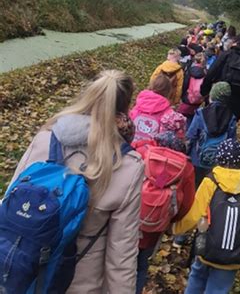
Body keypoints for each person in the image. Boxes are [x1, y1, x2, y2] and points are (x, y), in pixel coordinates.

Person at [7, 70, 144, 294]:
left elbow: (8, 201)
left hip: (22, 271)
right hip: (78, 283)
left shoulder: (45, 137)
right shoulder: (128, 166)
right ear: (125, 107)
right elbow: (121, 255)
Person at [173, 139, 240, 294]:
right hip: (232, 253)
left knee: (197, 276)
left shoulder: (211, 181)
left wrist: (175, 229)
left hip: (206, 246)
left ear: (218, 158)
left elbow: (195, 215)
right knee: (219, 288)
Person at [134, 131, 195, 294]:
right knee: (141, 266)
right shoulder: (186, 168)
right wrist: (169, 220)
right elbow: (187, 204)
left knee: (119, 263)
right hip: (156, 227)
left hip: (129, 221)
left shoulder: (142, 153)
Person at [187, 82, 237, 188]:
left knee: (195, 185)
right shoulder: (231, 118)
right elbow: (232, 141)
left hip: (197, 159)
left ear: (212, 96)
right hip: (216, 162)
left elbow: (191, 136)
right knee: (210, 186)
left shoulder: (201, 114)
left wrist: (186, 153)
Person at [201, 33, 240, 121]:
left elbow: (211, 73)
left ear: (235, 42)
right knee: (229, 124)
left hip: (220, 94)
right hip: (238, 102)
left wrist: (204, 91)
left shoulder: (226, 55)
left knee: (211, 120)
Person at [130, 73, 186, 142]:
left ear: (152, 86)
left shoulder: (138, 104)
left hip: (132, 146)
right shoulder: (168, 112)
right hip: (152, 150)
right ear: (168, 92)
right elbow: (180, 126)